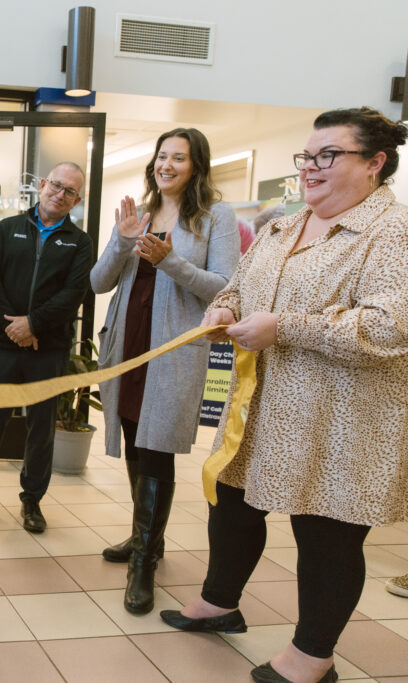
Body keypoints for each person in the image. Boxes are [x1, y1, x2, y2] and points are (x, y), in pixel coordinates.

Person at [161, 107, 408, 683]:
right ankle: (219, 603)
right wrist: (225, 308)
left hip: (339, 419)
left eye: (329, 155)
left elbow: (390, 327)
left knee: (324, 534)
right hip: (260, 408)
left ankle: (312, 656)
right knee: (232, 503)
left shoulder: (393, 233)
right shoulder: (282, 226)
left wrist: (285, 327)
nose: (311, 167)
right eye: (307, 156)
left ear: (375, 163)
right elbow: (239, 286)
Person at [91, 128, 239, 615]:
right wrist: (123, 242)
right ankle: (143, 538)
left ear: (197, 165)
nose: (167, 165)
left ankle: (144, 563)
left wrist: (169, 260)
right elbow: (98, 281)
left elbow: (224, 287)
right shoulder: (141, 213)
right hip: (127, 343)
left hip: (172, 352)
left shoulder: (216, 216)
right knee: (136, 439)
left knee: (157, 448)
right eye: (161, 156)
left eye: (179, 157)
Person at [0, 162, 93, 533]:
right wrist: (15, 328)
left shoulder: (79, 242)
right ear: (42, 185)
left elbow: (75, 293)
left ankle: (32, 500)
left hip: (47, 349)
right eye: (56, 185)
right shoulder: (6, 229)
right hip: (2, 345)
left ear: (77, 200)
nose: (60, 193)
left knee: (41, 427)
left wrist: (34, 325)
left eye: (70, 191)